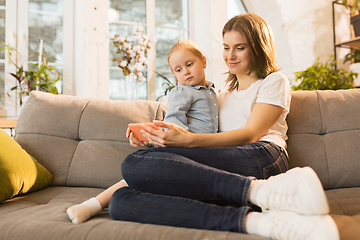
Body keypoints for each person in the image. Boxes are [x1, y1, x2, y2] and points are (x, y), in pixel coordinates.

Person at [106, 13, 339, 240]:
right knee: (121, 201)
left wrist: (188, 140)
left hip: (263, 155)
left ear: (258, 47)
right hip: (226, 168)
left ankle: (263, 191)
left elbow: (250, 134)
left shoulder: (273, 82)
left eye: (240, 47)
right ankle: (258, 220)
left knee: (133, 163)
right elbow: (193, 131)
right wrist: (151, 138)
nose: (230, 55)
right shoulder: (218, 98)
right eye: (226, 47)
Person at [66, 40, 219, 224]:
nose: (185, 72)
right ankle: (93, 204)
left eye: (189, 64)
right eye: (178, 70)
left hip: (201, 149)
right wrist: (182, 142)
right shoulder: (183, 92)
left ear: (203, 62)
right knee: (138, 177)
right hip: (183, 148)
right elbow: (173, 121)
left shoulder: (210, 91)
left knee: (149, 182)